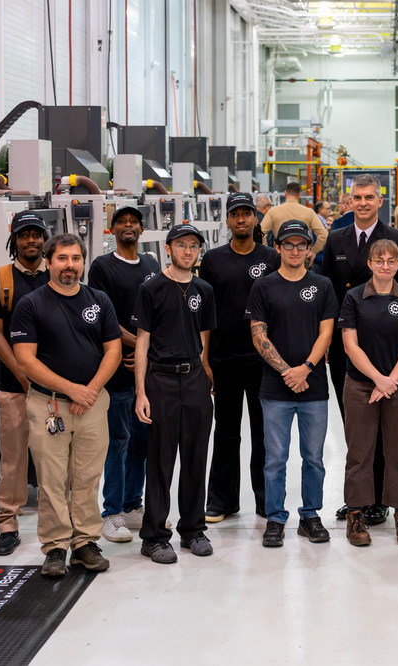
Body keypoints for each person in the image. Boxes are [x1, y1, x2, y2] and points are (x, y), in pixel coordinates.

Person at [11, 233, 122, 576]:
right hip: (50, 406)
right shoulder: (31, 305)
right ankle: (56, 546)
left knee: (88, 477)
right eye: (62, 259)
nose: (70, 265)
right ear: (49, 262)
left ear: (83, 262)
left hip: (92, 403)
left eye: (75, 258)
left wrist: (89, 390)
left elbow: (114, 350)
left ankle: (85, 542)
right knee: (52, 479)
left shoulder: (99, 300)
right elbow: (26, 361)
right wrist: (71, 390)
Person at [320, 173, 398, 525]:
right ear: (350, 201)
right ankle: (361, 497)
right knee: (357, 428)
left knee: (389, 432)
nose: (362, 203)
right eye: (357, 197)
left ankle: (380, 500)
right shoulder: (335, 240)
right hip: (349, 346)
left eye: (369, 197)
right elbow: (329, 293)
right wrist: (329, 342)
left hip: (389, 349)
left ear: (380, 201)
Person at [247, 220, 339, 548]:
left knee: (313, 456)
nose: (295, 250)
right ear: (278, 248)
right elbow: (259, 335)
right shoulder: (264, 286)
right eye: (289, 244)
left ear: (310, 250)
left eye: (302, 245)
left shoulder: (323, 285)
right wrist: (288, 371)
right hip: (275, 388)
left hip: (313, 387)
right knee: (275, 457)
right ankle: (275, 518)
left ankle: (310, 515)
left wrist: (306, 368)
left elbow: (326, 333)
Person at [133, 224, 217, 564]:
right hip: (161, 381)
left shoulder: (204, 289)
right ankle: (154, 537)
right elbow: (142, 341)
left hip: (194, 379)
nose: (187, 251)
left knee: (196, 458)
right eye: (181, 245)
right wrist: (141, 392)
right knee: (161, 461)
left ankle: (193, 530)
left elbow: (204, 332)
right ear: (168, 249)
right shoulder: (152, 288)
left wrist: (205, 368)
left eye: (193, 246)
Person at [339, 239, 398, 547]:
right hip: (361, 385)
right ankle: (356, 514)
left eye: (391, 260)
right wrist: (377, 379)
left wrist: (390, 382)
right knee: (359, 453)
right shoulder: (353, 298)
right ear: (370, 264)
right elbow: (351, 345)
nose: (385, 265)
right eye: (380, 260)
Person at [201, 193, 280, 521]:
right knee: (226, 430)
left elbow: (281, 308)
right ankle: (221, 501)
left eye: (248, 213)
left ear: (255, 219)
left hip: (262, 361)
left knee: (264, 432)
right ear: (228, 220)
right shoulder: (213, 260)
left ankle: (265, 500)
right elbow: (204, 313)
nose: (242, 219)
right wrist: (204, 358)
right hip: (225, 359)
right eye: (236, 214)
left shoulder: (271, 258)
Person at [0, 210, 50, 556]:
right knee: (13, 460)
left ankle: (59, 524)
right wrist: (23, 374)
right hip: (13, 388)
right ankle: (8, 523)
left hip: (55, 391)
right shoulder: (2, 280)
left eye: (36, 234)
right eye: (24, 235)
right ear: (14, 240)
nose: (31, 241)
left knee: (56, 459)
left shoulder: (59, 274)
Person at [87, 205, 159, 544]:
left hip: (145, 372)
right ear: (111, 230)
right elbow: (103, 315)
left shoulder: (151, 264)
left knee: (142, 441)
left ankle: (133, 506)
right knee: (118, 441)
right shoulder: (102, 267)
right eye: (122, 222)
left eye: (133, 222)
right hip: (117, 369)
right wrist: (135, 347)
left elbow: (158, 312)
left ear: (142, 230)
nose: (128, 226)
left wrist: (146, 353)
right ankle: (111, 513)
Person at [260, 181, 328, 262]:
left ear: (285, 193)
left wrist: (269, 252)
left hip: (280, 256)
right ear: (300, 195)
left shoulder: (273, 212)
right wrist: (313, 251)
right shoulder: (309, 212)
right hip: (301, 256)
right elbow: (323, 235)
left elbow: (260, 232)